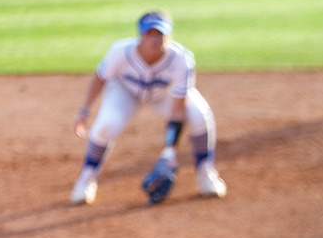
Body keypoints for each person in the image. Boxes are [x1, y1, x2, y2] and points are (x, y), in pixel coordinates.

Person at [69, 12, 224, 206]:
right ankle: (86, 179)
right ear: (140, 35)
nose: (154, 39)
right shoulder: (120, 52)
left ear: (168, 36)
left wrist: (169, 151)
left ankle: (206, 174)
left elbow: (178, 110)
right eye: (149, 34)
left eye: (160, 34)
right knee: (106, 124)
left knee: (199, 115)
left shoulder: (181, 59)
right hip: (125, 91)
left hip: (163, 95)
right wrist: (84, 110)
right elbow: (100, 78)